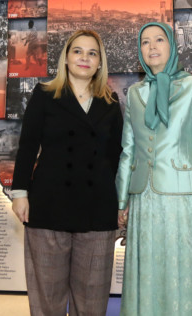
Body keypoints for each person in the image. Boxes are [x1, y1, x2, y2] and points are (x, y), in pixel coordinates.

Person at [11, 30, 123, 316]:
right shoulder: (45, 95)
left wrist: (119, 203)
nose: (84, 58)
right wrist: (20, 193)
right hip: (49, 205)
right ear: (66, 58)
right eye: (78, 51)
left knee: (92, 300)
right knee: (47, 297)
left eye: (92, 53)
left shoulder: (110, 103)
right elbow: (27, 147)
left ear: (100, 63)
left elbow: (115, 158)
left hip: (97, 211)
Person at [116, 22, 192, 316]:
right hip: (144, 204)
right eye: (145, 42)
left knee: (185, 273)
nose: (152, 47)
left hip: (185, 204)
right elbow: (128, 152)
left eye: (159, 40)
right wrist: (121, 202)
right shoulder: (135, 93)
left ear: (172, 46)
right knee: (149, 275)